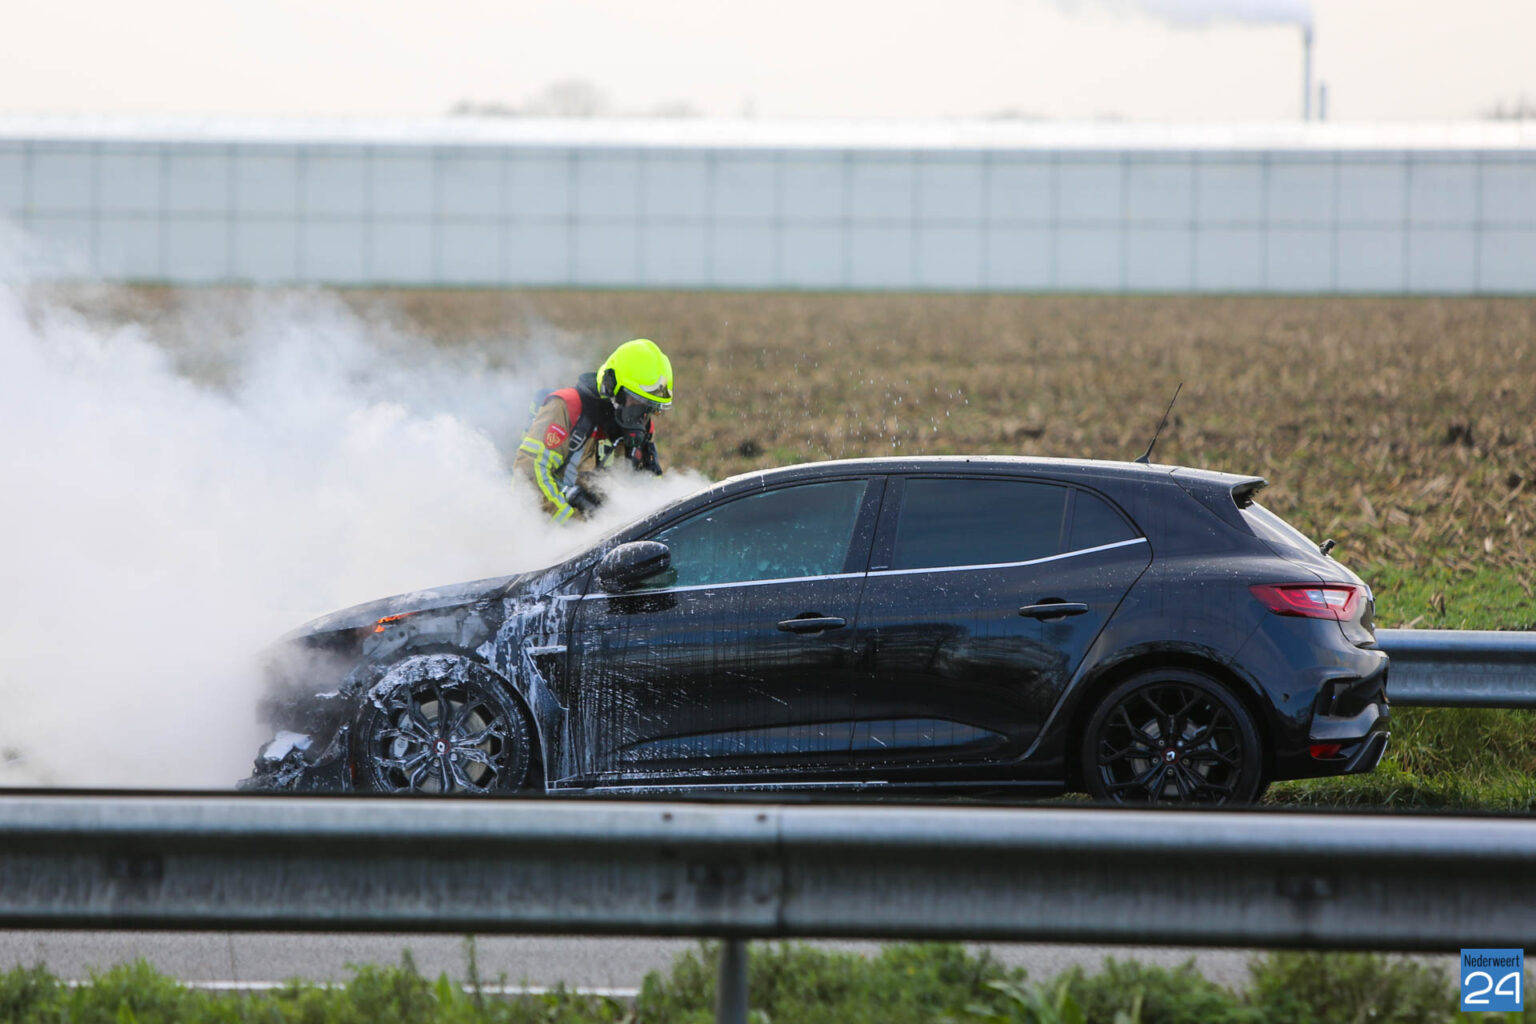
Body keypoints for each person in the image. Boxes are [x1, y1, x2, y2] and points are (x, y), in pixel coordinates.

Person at [514, 338, 673, 522]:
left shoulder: (640, 426)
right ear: (612, 387)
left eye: (651, 408)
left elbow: (649, 490)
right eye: (638, 402)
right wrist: (573, 528)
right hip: (553, 536)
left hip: (604, 534)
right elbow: (528, 473)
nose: (643, 416)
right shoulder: (566, 408)